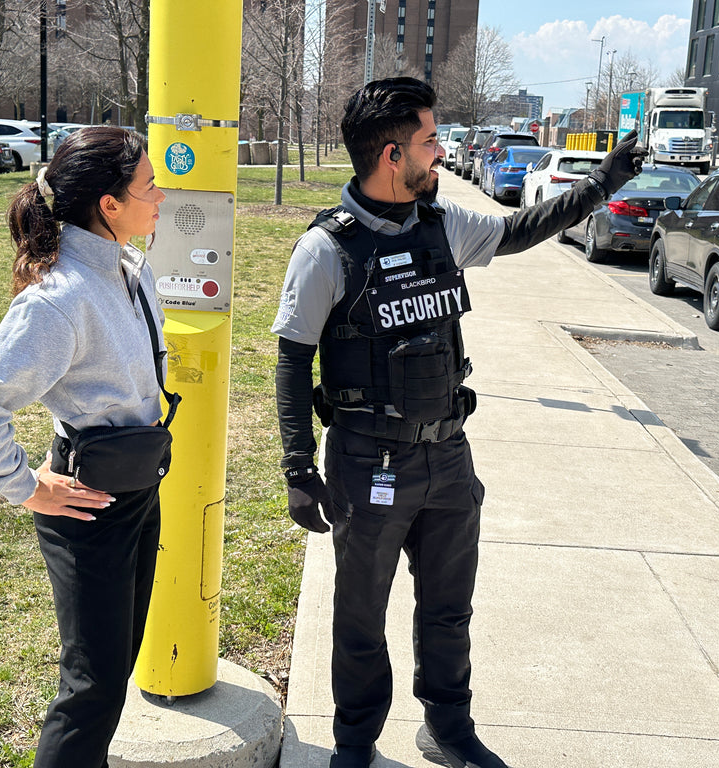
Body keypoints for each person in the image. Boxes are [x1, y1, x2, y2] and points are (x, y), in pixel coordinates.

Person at [272, 77, 645, 768]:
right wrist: (299, 466)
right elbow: (293, 360)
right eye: (430, 141)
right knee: (360, 619)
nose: (440, 154)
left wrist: (603, 181)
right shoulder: (327, 250)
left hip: (448, 458)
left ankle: (448, 730)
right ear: (392, 155)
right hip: (367, 462)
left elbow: (522, 229)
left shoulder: (443, 226)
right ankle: (355, 741)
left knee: (448, 610)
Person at [0, 126, 168, 768]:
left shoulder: (131, 269)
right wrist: (29, 488)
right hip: (87, 506)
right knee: (91, 688)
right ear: (110, 205)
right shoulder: (58, 300)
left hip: (140, 489)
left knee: (115, 668)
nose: (163, 197)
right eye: (150, 186)